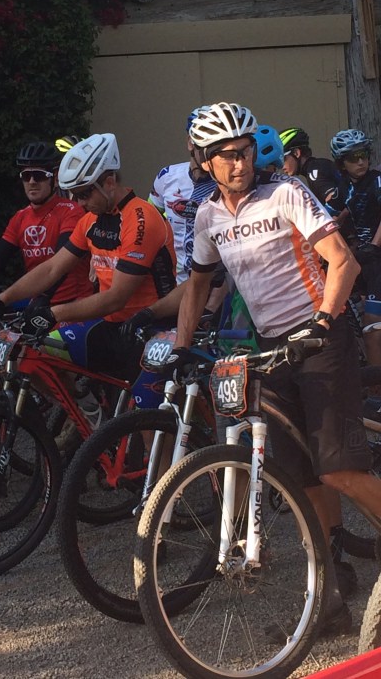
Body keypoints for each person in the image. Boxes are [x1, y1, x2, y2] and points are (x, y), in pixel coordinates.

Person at [166, 102, 381, 635]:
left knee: (337, 469)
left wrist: (324, 321)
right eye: (226, 156)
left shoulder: (285, 192)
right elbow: (198, 284)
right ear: (205, 161)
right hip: (271, 346)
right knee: (302, 477)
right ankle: (328, 601)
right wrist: (182, 350)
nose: (239, 163)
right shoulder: (208, 216)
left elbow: (343, 260)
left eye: (244, 152)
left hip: (321, 336)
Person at [0, 133, 177, 417]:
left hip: (152, 328)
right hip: (111, 325)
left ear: (109, 182)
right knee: (31, 355)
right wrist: (2, 299)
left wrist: (54, 313)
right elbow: (52, 268)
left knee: (145, 424)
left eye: (84, 193)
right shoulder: (90, 220)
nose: (78, 202)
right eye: (73, 194)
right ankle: (87, 418)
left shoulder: (140, 218)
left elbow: (116, 297)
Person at [0, 141, 93, 321]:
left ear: (56, 178)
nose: (32, 181)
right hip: (38, 305)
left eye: (39, 175)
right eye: (26, 176)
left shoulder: (72, 211)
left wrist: (43, 297)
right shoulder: (20, 217)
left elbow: (59, 264)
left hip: (73, 305)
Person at [327, 128, 381, 365]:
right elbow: (331, 217)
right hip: (364, 261)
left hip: (376, 257)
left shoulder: (377, 180)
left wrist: (375, 245)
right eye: (353, 157)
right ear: (341, 163)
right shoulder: (345, 187)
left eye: (364, 155)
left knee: (372, 327)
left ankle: (375, 384)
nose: (361, 162)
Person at [279, 126, 340, 205]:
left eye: (283, 159)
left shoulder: (314, 172)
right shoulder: (318, 165)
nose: (282, 166)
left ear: (296, 153)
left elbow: (335, 203)